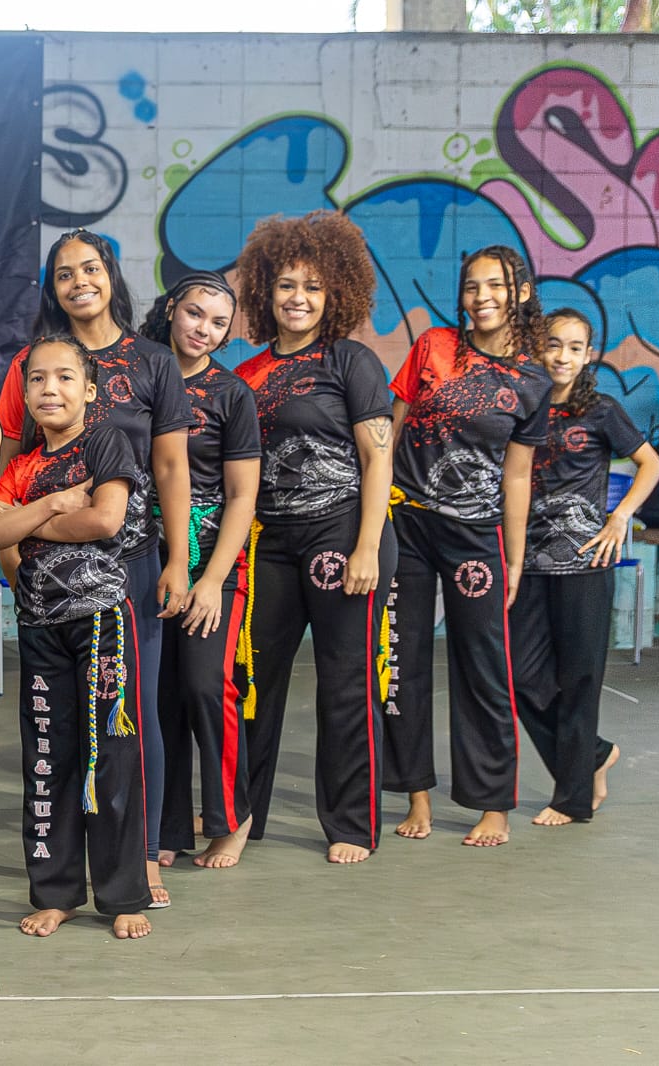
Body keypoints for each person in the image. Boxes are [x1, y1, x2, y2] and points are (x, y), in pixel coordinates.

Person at [0, 229, 190, 905]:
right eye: (63, 273)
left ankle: (142, 858)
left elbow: (170, 467)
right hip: (46, 577)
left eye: (90, 268)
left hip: (129, 565)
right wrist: (16, 556)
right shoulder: (31, 365)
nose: (79, 281)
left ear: (110, 274)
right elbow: (6, 479)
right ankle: (61, 879)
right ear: (51, 289)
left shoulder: (153, 362)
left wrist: (179, 559)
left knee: (130, 718)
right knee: (54, 730)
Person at [0, 333, 152, 940]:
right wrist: (53, 503)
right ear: (24, 394)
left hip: (100, 621)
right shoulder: (20, 467)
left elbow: (105, 518)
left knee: (111, 758)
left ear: (90, 391)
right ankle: (57, 892)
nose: (49, 389)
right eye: (37, 379)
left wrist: (24, 522)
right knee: (48, 760)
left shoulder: (105, 441)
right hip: (40, 627)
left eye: (64, 377)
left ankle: (124, 893)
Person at [233, 211, 395, 864]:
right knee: (253, 679)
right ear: (265, 291)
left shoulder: (350, 360)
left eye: (313, 287)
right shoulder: (246, 375)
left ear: (336, 295)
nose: (298, 298)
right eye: (286, 285)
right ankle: (240, 814)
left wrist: (366, 546)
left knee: (345, 680)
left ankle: (351, 824)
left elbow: (377, 458)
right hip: (271, 542)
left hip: (343, 531)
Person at [385, 245, 553, 848]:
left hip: (475, 534)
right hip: (405, 523)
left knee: (483, 665)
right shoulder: (433, 346)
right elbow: (390, 433)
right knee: (400, 661)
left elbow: (517, 476)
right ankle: (416, 794)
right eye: (472, 287)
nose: (481, 298)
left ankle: (492, 804)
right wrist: (371, 517)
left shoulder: (533, 380)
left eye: (495, 286)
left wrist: (514, 557)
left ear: (521, 292)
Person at [511, 309, 658, 824]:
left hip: (585, 564)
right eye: (554, 344)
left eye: (575, 348)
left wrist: (620, 517)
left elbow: (651, 463)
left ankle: (571, 799)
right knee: (520, 677)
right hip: (526, 563)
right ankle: (594, 754)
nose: (563, 356)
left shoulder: (600, 411)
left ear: (588, 355)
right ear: (539, 347)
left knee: (579, 681)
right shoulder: (521, 407)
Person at [136, 274, 260, 869]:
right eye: (194, 313)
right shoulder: (139, 377)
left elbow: (241, 496)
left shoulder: (231, 395)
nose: (203, 329)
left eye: (218, 323)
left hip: (213, 565)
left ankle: (233, 817)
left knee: (205, 686)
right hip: (144, 561)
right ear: (170, 310)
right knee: (158, 696)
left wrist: (210, 580)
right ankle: (166, 825)